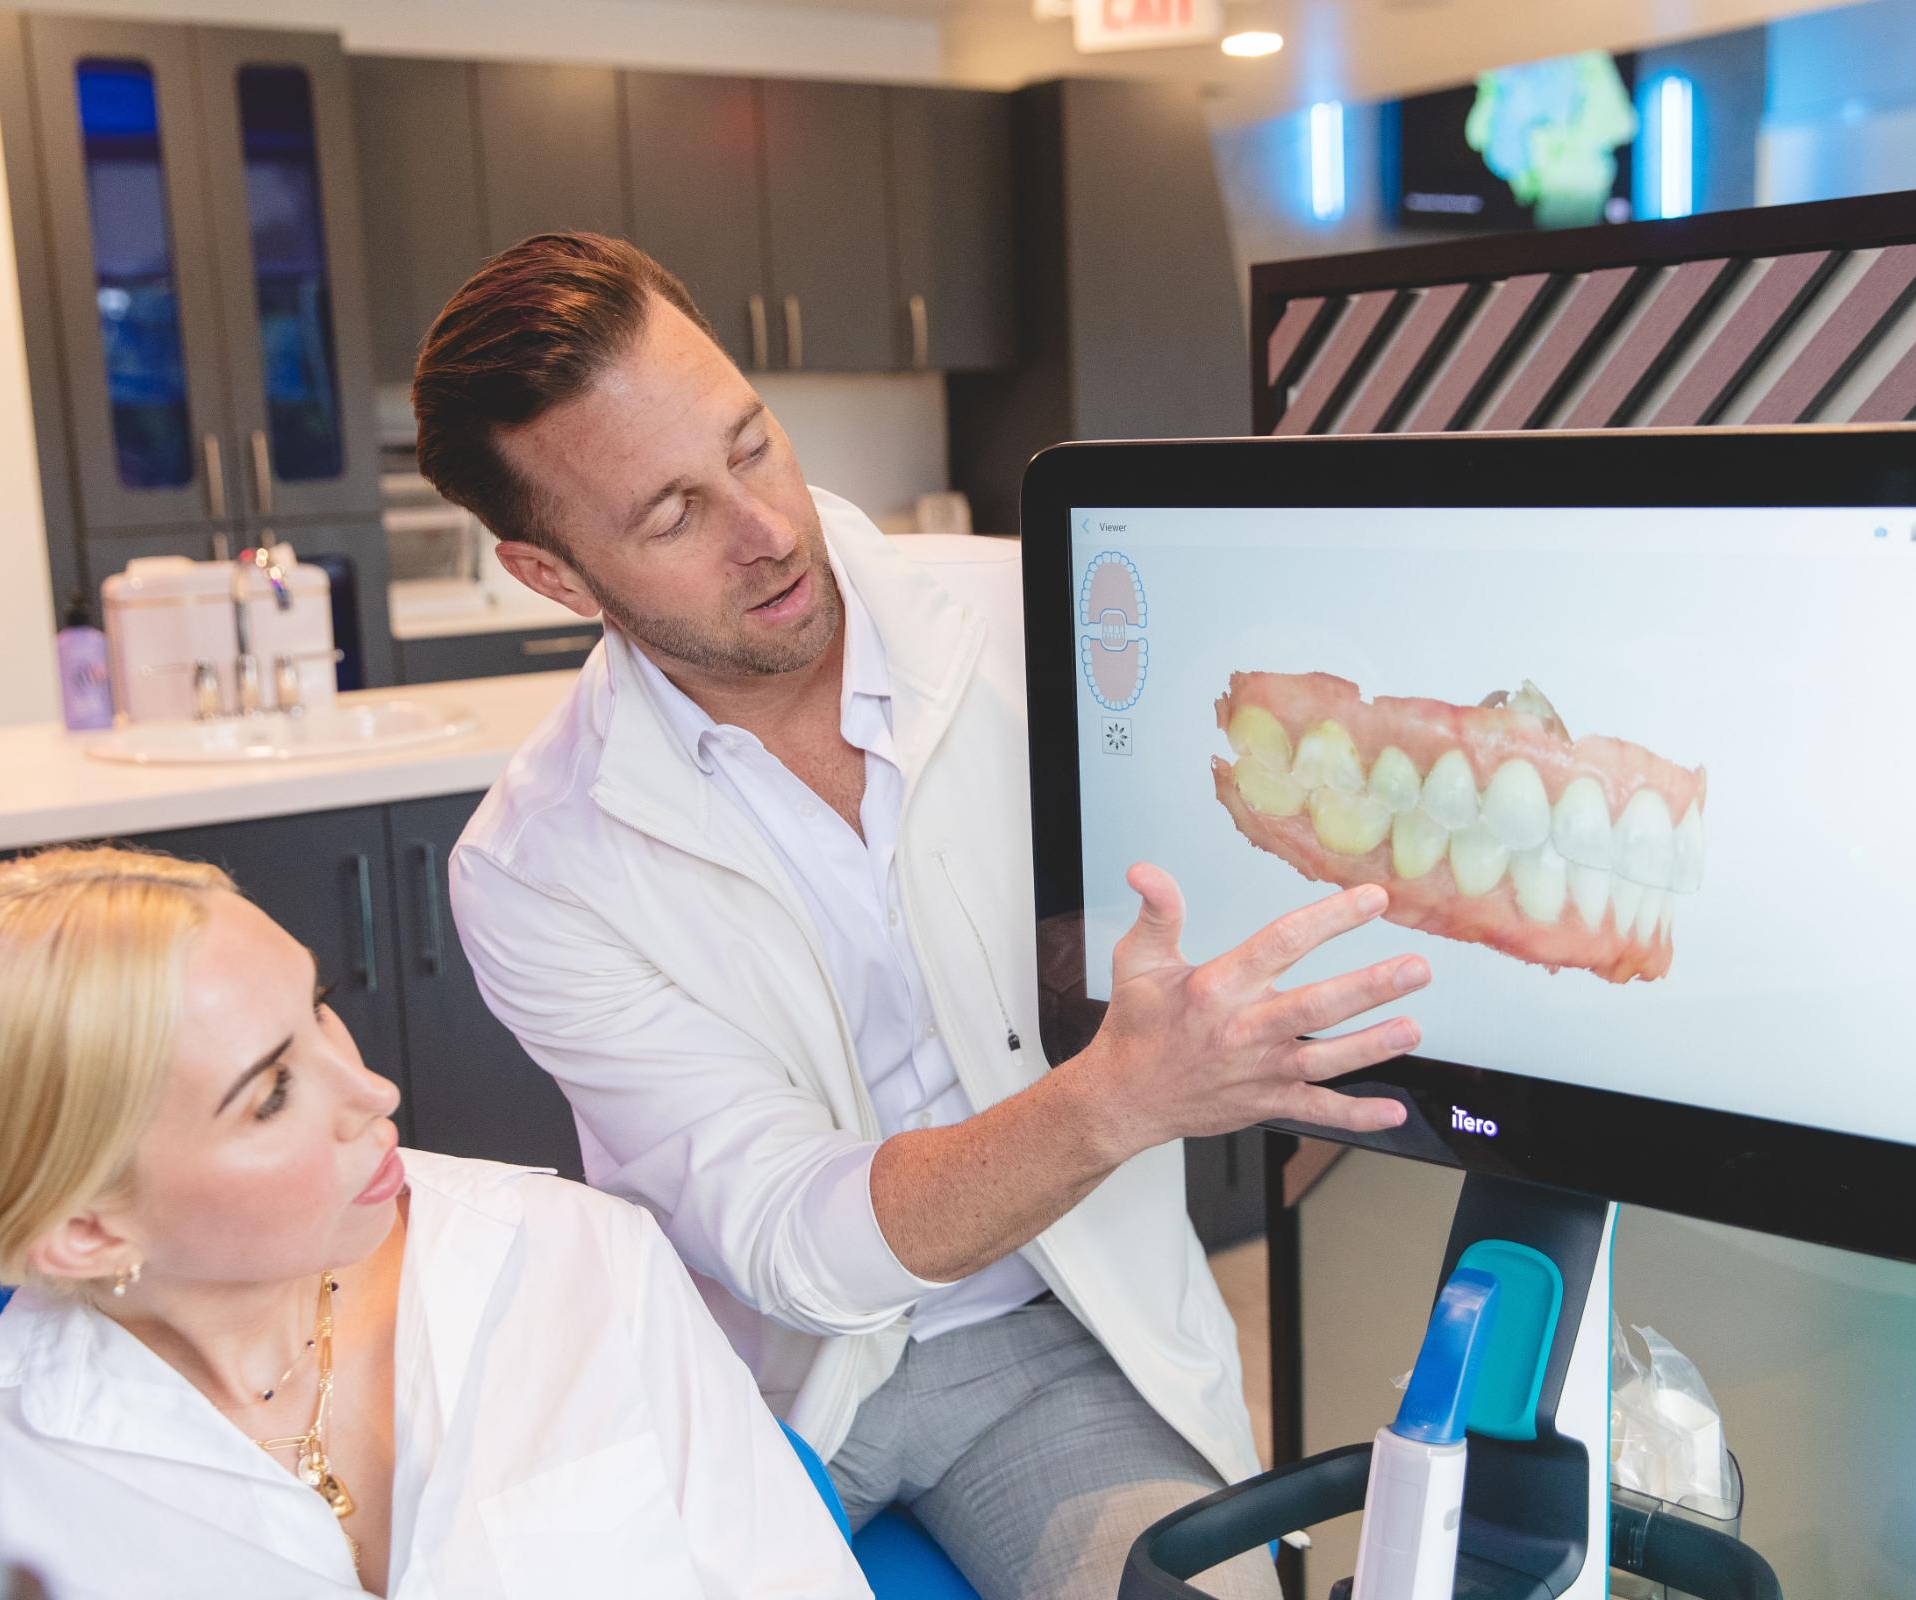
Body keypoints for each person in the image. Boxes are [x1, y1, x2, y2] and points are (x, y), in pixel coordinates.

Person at [422, 233, 1433, 1600]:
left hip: (1055, 1333)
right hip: (756, 1388)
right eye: (671, 515)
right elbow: (789, 1240)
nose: (767, 529)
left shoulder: (1038, 619)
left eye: (754, 444)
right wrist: (1118, 1102)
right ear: (549, 574)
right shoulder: (537, 867)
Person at [0, 848, 869, 1600]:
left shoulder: (577, 1256)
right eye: (269, 1095)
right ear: (87, 1231)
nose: (373, 1090)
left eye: (318, 1007)